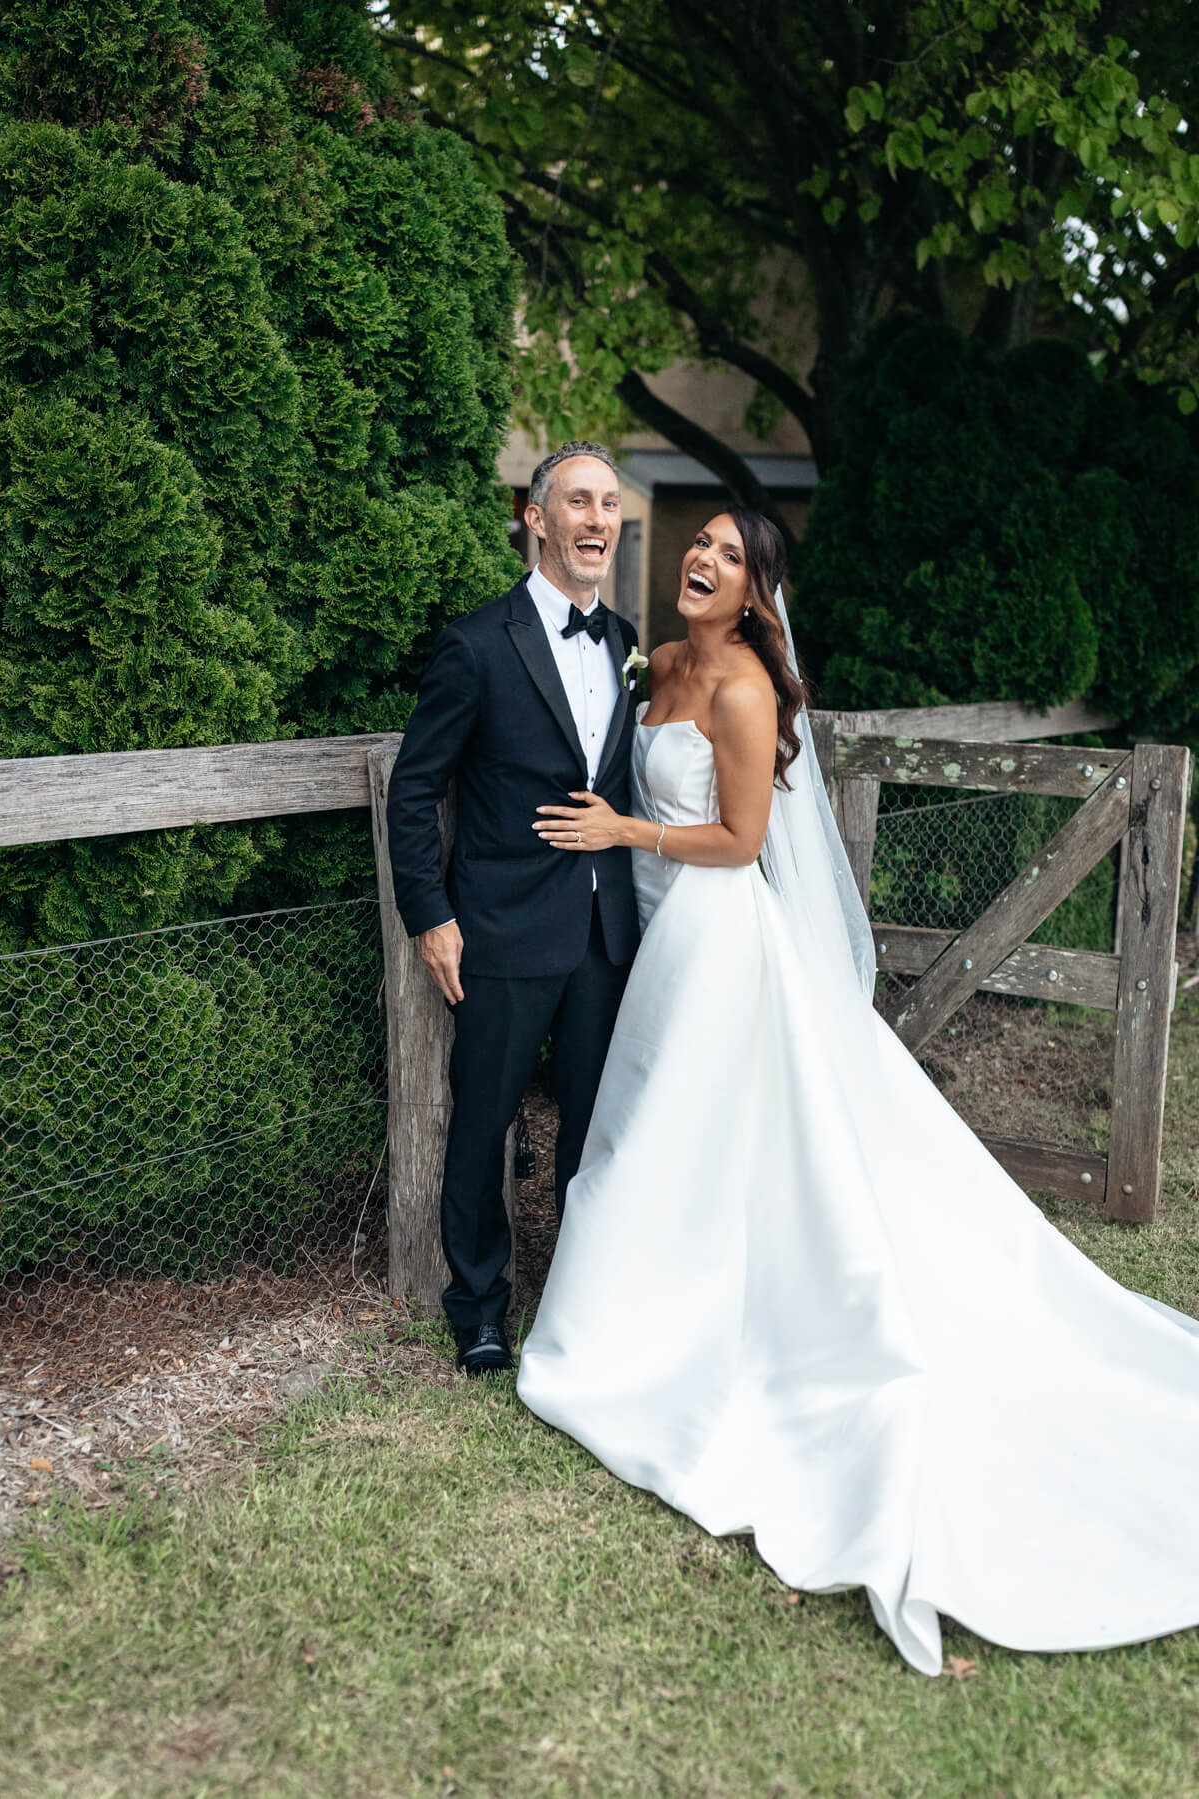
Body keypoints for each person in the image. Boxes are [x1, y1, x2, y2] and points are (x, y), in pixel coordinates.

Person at [516, 505, 1199, 1676]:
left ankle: (659, 1331)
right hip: (653, 931)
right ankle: (635, 1309)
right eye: (702, 543)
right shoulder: (659, 662)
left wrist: (623, 827)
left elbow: (738, 840)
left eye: (733, 557)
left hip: (718, 937)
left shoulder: (741, 691)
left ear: (758, 591)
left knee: (693, 1136)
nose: (704, 561)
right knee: (657, 1134)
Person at [385, 443, 641, 1377]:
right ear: (536, 519)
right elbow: (414, 790)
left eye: (610, 504)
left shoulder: (626, 645)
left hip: (604, 934)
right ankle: (479, 1306)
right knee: (483, 1117)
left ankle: (580, 1298)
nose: (597, 520)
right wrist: (429, 913)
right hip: (496, 929)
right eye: (578, 501)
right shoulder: (476, 645)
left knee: (593, 1125)